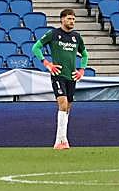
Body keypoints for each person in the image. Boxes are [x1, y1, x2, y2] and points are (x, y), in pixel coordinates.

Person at [32, 9, 89, 150]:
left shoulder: (77, 37)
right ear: (62, 19)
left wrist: (81, 70)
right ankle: (59, 141)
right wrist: (47, 64)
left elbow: (85, 54)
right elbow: (36, 47)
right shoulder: (54, 34)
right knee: (63, 104)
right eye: (69, 19)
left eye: (74, 19)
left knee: (68, 107)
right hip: (58, 74)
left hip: (71, 76)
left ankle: (63, 139)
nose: (72, 21)